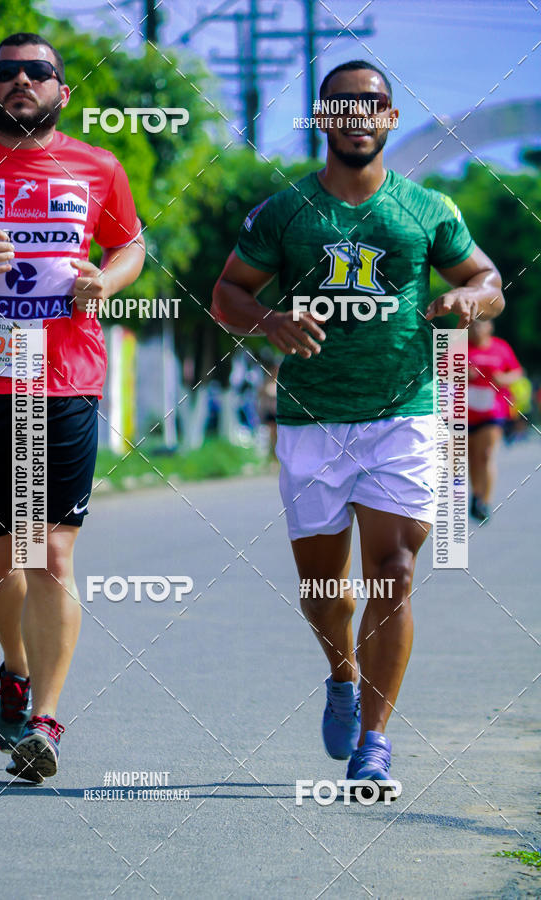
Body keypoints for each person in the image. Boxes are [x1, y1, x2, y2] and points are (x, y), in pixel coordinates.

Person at [212, 60, 505, 795]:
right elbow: (226, 294)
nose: (354, 115)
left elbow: (488, 279)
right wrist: (271, 320)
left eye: (369, 104)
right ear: (321, 118)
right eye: (338, 104)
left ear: (390, 118)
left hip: (403, 415)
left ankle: (376, 738)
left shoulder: (426, 208)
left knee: (394, 574)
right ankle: (341, 675)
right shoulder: (285, 213)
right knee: (323, 587)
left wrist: (470, 300)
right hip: (312, 421)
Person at [0, 33, 145, 782]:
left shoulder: (98, 166)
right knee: (0, 564)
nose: (20, 81)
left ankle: (45, 720)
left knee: (51, 556)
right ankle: (16, 668)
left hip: (64, 381)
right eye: (6, 73)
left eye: (38, 72)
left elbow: (131, 245)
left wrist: (110, 279)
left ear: (63, 89)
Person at [468, 320, 522, 520]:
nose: (476, 328)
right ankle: (476, 495)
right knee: (473, 457)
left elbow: (516, 373)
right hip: (465, 411)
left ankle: (486, 502)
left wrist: (503, 379)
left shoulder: (500, 347)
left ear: (490, 326)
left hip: (493, 410)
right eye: (472, 325)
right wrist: (461, 374)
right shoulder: (459, 348)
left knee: (487, 454)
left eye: (481, 324)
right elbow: (442, 372)